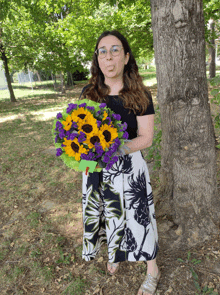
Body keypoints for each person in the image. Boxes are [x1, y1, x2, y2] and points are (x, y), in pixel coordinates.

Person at [79, 30, 160, 295]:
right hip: (97, 170)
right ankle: (115, 253)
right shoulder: (89, 93)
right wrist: (82, 156)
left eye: (115, 50)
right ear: (97, 59)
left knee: (140, 218)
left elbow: (146, 138)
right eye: (102, 51)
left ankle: (152, 269)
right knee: (107, 214)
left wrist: (114, 148)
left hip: (129, 169)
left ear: (126, 57)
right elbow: (81, 133)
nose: (108, 56)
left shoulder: (140, 94)